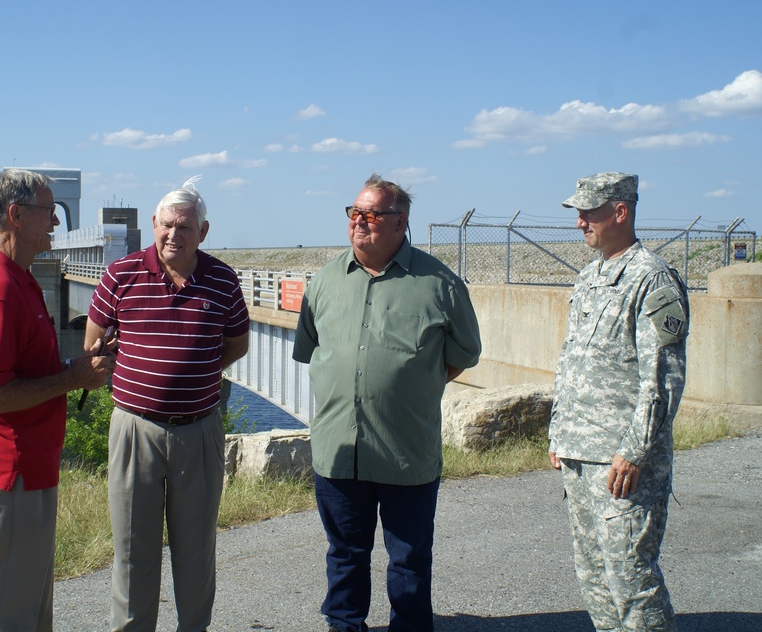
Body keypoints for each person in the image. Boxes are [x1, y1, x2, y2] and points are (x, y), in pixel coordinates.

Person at [292, 173, 482, 632]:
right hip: (340, 453)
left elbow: (463, 354)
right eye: (354, 213)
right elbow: (312, 348)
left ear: (401, 223)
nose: (360, 222)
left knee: (410, 559)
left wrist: (408, 383)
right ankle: (344, 624)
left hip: (405, 453)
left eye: (372, 214)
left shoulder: (439, 284)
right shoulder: (324, 282)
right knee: (344, 555)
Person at [85, 179, 250, 632]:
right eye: (167, 225)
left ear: (204, 230)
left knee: (195, 552)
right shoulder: (121, 274)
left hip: (198, 431)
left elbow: (236, 344)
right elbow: (94, 345)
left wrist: (191, 368)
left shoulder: (222, 279)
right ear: (154, 224)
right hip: (134, 429)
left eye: (185, 227)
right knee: (133, 552)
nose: (174, 234)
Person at [0, 168, 115, 632]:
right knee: (2, 605)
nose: (56, 225)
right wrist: (73, 380)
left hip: (29, 470)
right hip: (14, 471)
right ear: (16, 215)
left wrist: (73, 371)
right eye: (49, 213)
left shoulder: (17, 279)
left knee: (26, 605)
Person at [548, 172, 689, 632]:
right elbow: (572, 360)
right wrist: (558, 432)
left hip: (622, 461)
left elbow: (662, 378)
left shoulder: (654, 279)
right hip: (580, 452)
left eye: (588, 213)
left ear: (620, 212)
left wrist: (635, 450)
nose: (580, 223)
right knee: (594, 577)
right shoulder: (590, 276)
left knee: (630, 578)